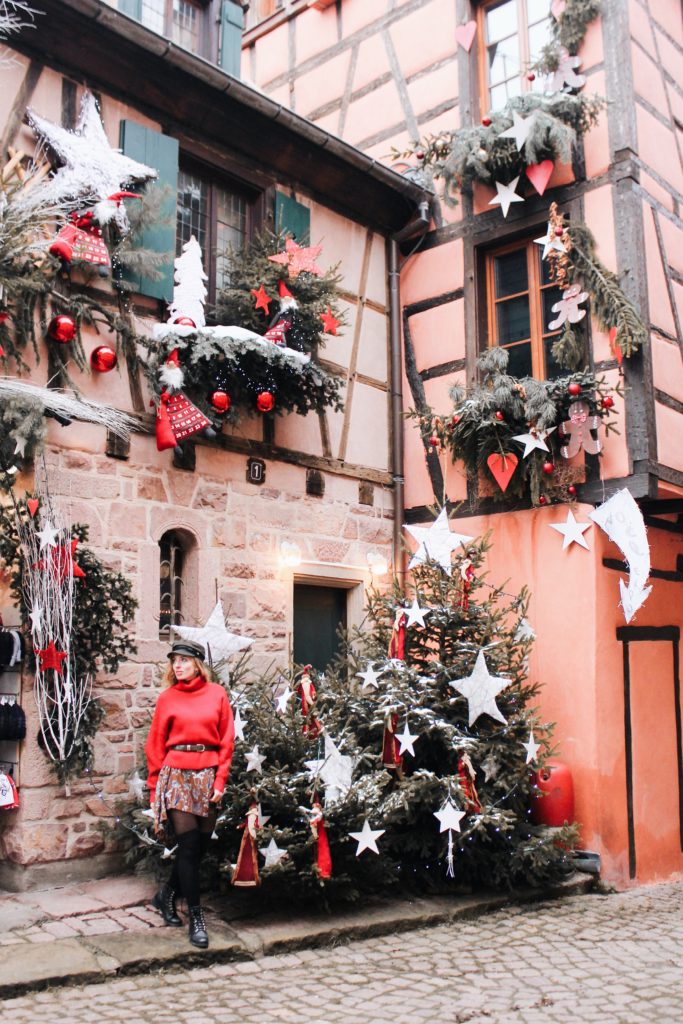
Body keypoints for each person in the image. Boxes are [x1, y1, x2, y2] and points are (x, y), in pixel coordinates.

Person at [145, 639, 234, 948]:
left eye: (183, 660)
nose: (177, 665)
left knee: (198, 849)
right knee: (189, 844)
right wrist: (155, 790)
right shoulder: (167, 698)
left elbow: (226, 741)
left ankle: (166, 894)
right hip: (177, 775)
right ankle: (196, 917)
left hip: (208, 774)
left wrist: (220, 781)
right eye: (174, 661)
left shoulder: (217, 694)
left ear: (198, 664)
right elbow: (155, 746)